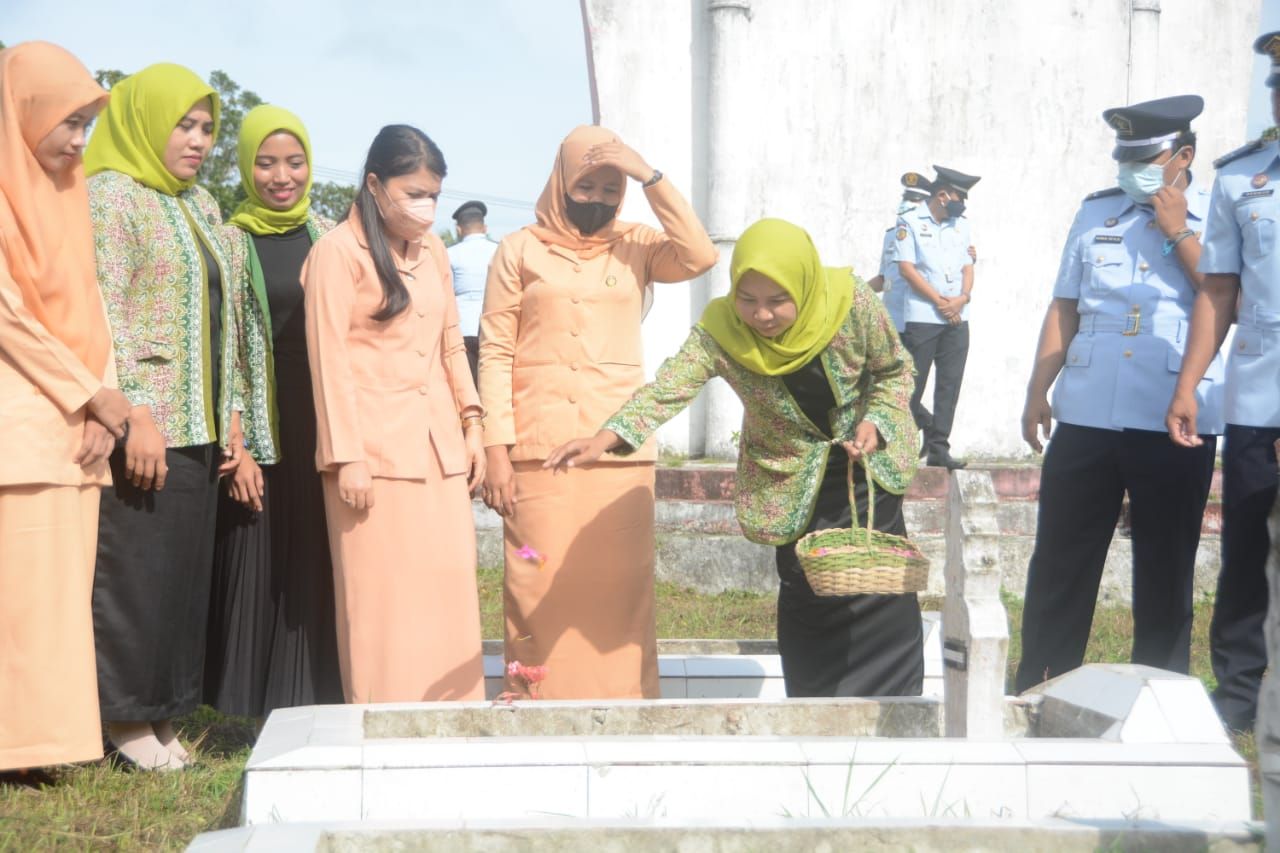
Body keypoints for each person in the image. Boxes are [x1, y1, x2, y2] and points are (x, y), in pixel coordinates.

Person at [545, 218, 922, 697]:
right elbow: (668, 387)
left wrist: (876, 421)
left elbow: (895, 370)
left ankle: (898, 707)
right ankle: (813, 708)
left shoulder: (849, 302)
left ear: (803, 286)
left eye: (777, 301)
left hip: (864, 473)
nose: (761, 316)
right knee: (807, 592)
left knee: (878, 589)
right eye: (748, 300)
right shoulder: (721, 332)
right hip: (790, 483)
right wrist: (605, 437)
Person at [479, 125, 716, 700]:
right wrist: (496, 453)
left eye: (612, 189)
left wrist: (648, 175)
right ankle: (538, 706)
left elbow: (700, 255)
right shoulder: (518, 250)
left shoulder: (637, 244)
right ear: (561, 181)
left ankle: (626, 713)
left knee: (619, 595)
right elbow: (495, 350)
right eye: (586, 185)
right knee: (535, 583)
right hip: (537, 458)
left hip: (617, 454)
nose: (598, 200)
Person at [1015, 95, 1222, 694]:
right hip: (1086, 411)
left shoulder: (1216, 214)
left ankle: (1158, 694)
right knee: (1059, 559)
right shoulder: (1094, 213)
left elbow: (1220, 294)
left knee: (1164, 564)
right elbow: (1066, 305)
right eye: (1124, 159)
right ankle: (1042, 684)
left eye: (1148, 159)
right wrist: (1038, 390)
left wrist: (1177, 229)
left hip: (1172, 413)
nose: (1131, 171)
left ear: (1183, 156)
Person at [86, 63, 240, 771]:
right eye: (185, 123)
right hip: (146, 423)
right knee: (137, 570)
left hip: (202, 422)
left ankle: (165, 712)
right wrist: (134, 415)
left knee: (181, 574)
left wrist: (233, 413)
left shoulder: (203, 204)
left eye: (207, 127)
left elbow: (226, 315)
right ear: (145, 120)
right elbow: (102, 313)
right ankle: (123, 716)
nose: (199, 140)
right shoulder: (111, 197)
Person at [303, 124, 486, 703]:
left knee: (446, 592)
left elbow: (452, 343)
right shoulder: (336, 253)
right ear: (375, 185)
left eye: (433, 195)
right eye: (413, 194)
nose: (426, 208)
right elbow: (327, 361)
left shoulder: (433, 249)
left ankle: (453, 718)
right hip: (371, 458)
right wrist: (347, 457)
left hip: (439, 449)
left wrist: (473, 426)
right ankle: (381, 719)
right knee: (382, 601)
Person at [0, 42, 120, 778]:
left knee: (59, 598)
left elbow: (90, 303)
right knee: (22, 595)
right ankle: (17, 743)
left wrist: (101, 410)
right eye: (69, 122)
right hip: (20, 416)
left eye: (87, 124)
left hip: (77, 424)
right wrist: (91, 392)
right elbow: (9, 315)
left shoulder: (68, 192)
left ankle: (48, 742)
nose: (79, 140)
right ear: (27, 111)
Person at [203, 105, 343, 721]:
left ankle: (321, 689)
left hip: (325, 417)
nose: (281, 176)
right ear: (246, 166)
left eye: (294, 161)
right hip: (262, 420)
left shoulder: (331, 234)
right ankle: (249, 707)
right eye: (265, 162)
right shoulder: (230, 241)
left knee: (319, 548)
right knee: (259, 551)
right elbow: (224, 342)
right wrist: (238, 444)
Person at [1166, 32, 1280, 733]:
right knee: (1244, 550)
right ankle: (1239, 695)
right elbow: (1218, 291)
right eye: (1276, 79)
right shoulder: (1244, 179)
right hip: (1258, 401)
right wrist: (1189, 384)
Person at [894, 165, 980, 470]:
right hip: (923, 316)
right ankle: (900, 447)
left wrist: (962, 298)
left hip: (957, 316)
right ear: (942, 195)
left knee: (949, 384)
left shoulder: (962, 225)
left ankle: (939, 448)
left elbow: (968, 266)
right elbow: (907, 269)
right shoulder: (910, 223)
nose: (962, 204)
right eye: (959, 197)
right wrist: (940, 302)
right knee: (911, 386)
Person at [874, 174, 932, 331]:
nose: (906, 203)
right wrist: (854, 289)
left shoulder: (933, 237)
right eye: (905, 198)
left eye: (914, 199)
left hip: (916, 323)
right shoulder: (892, 235)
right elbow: (883, 278)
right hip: (889, 323)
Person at [447, 199, 496, 384]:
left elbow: (446, 293)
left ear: (459, 229)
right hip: (493, 328)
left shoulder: (450, 254)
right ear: (484, 227)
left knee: (466, 386)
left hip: (462, 330)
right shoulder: (500, 250)